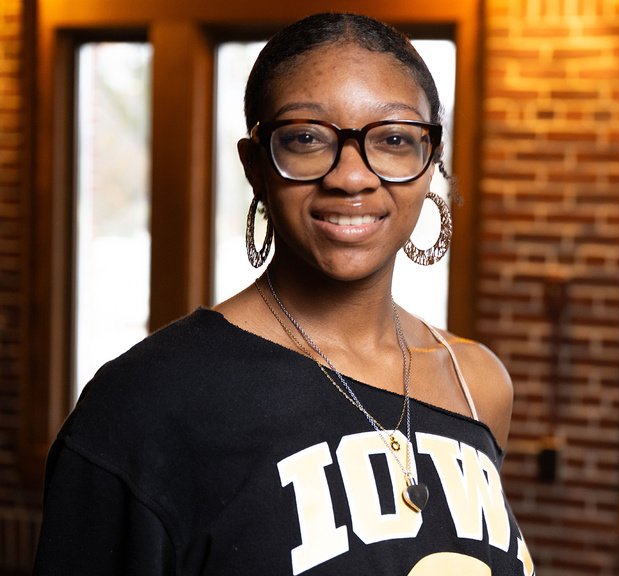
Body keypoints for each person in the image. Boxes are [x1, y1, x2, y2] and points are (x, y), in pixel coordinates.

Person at [33, 12, 533, 575]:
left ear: (429, 163)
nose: (351, 177)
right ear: (254, 166)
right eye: (306, 138)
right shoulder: (145, 404)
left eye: (393, 139)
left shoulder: (477, 385)